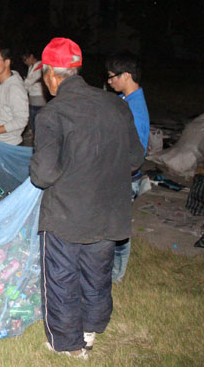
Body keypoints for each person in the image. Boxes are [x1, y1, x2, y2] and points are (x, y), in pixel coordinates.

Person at [30, 38, 144, 359]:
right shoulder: (116, 104)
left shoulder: (53, 114)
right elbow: (135, 158)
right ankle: (91, 330)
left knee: (62, 277)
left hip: (67, 215)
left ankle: (68, 344)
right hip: (108, 210)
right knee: (97, 272)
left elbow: (43, 174)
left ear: (50, 75)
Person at [106, 51, 150, 284]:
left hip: (125, 178)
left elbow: (136, 154)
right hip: (120, 175)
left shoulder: (135, 110)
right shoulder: (126, 100)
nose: (109, 81)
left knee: (119, 230)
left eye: (112, 76)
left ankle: (117, 276)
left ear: (127, 75)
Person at [21, 48, 47, 133]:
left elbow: (28, 82)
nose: (25, 62)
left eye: (26, 59)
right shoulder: (31, 67)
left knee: (37, 121)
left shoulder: (40, 66)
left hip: (39, 98)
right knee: (32, 121)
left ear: (31, 56)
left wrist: (22, 83)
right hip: (32, 98)